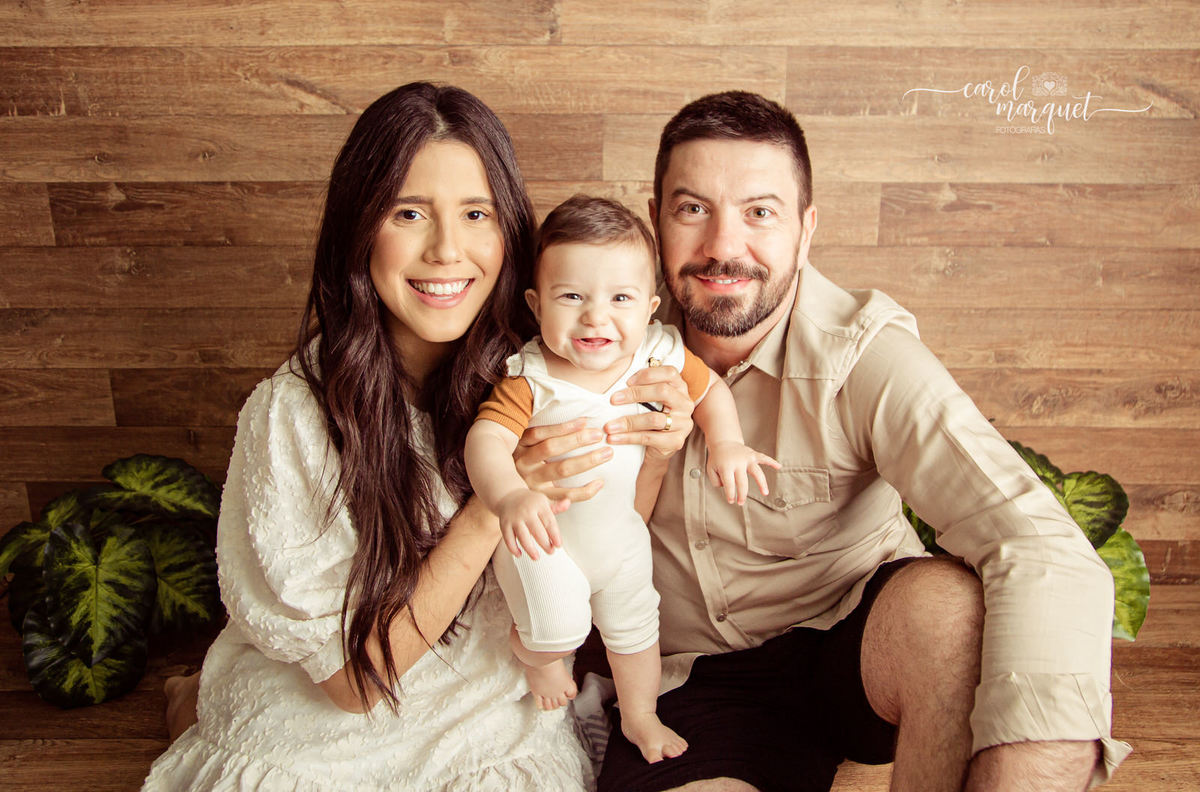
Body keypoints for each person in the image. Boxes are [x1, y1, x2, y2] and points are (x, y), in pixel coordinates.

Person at [516, 92, 1130, 792]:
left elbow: (1036, 540)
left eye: (760, 213)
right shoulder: (584, 332)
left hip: (852, 647)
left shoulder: (861, 353)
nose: (723, 246)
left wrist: (1033, 765)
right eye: (693, 210)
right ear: (656, 220)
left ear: (806, 231)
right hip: (686, 676)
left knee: (952, 611)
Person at [142, 82, 593, 791]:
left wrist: (658, 441)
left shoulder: (541, 374)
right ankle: (197, 701)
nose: (448, 251)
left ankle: (190, 693)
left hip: (478, 715)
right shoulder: (292, 413)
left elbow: (615, 541)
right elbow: (355, 684)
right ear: (360, 228)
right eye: (409, 213)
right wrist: (492, 503)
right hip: (334, 710)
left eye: (476, 213)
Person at [465, 195, 778, 765]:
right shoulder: (532, 376)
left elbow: (710, 392)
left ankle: (640, 716)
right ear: (536, 306)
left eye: (620, 299)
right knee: (560, 631)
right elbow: (485, 440)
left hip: (623, 539)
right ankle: (534, 655)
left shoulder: (658, 351)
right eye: (572, 297)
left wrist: (727, 443)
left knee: (636, 633)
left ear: (649, 308)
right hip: (545, 541)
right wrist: (508, 494)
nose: (595, 317)